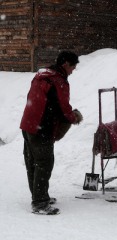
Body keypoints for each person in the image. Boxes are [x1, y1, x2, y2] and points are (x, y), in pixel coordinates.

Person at [20, 51, 83, 215]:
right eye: (73, 66)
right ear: (65, 64)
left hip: (28, 124)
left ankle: (39, 195)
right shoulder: (58, 81)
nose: (73, 70)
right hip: (42, 127)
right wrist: (74, 117)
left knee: (33, 162)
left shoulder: (42, 75)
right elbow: (63, 107)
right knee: (44, 163)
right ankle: (40, 203)